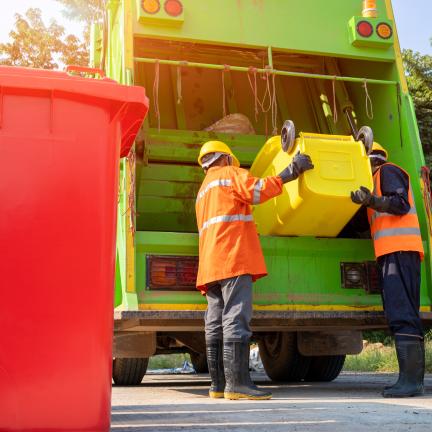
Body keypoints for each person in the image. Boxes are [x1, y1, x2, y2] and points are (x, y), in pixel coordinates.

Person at [195, 140, 314, 400]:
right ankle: (237, 385)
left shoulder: (203, 191)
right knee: (236, 317)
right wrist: (291, 171)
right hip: (233, 257)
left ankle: (218, 385)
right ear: (225, 158)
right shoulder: (230, 174)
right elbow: (257, 191)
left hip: (210, 264)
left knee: (214, 321)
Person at [351, 143, 425, 398]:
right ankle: (412, 380)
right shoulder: (374, 181)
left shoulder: (387, 171)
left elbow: (400, 204)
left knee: (402, 312)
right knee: (401, 312)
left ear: (371, 160)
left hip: (400, 251)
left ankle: (411, 381)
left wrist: (371, 200)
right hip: (394, 252)